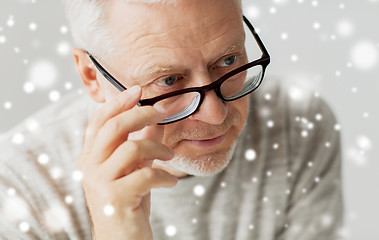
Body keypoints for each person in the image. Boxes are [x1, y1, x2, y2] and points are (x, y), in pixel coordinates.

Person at [0, 0, 344, 239]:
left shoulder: (298, 125)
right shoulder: (19, 189)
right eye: (168, 81)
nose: (215, 114)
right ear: (91, 76)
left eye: (228, 60)